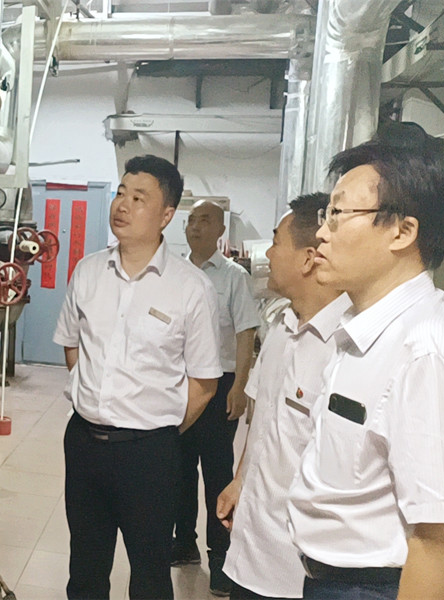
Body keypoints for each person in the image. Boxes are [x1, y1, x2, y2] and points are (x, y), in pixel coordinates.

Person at [287, 122, 444, 599]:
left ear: (403, 231)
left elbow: (440, 542)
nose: (321, 233)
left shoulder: (426, 351)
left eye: (338, 214)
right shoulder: (361, 327)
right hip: (332, 580)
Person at [53, 154, 222, 600]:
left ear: (166, 215)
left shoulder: (191, 288)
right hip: (84, 444)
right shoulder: (88, 271)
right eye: (120, 193)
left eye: (139, 198)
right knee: (85, 570)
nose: (122, 205)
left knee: (149, 576)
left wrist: (157, 429)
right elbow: (73, 346)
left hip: (150, 455)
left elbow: (204, 382)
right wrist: (97, 398)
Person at [216, 192, 352, 599]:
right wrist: (240, 480)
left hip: (294, 571)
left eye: (276, 242)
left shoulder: (345, 348)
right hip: (248, 550)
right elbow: (262, 419)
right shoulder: (282, 326)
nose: (269, 254)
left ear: (309, 258)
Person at [172, 200, 259, 596]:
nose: (195, 226)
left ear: (221, 229)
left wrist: (240, 386)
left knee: (217, 473)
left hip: (220, 383)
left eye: (204, 220)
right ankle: (183, 543)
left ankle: (220, 558)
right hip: (180, 382)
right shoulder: (174, 272)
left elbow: (245, 333)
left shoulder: (234, 277)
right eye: (190, 220)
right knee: (179, 468)